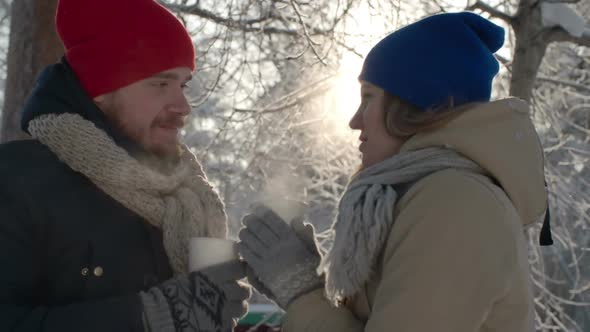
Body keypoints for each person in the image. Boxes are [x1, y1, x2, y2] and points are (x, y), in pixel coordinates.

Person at [237, 11, 551, 332]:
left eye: (368, 98)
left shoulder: (455, 202)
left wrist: (301, 292)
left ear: (417, 103)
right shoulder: (422, 195)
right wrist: (307, 287)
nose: (354, 121)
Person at [0, 0, 250, 331]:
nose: (183, 105)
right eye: (160, 84)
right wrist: (147, 317)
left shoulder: (186, 194)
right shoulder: (14, 181)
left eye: (183, 84)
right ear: (100, 89)